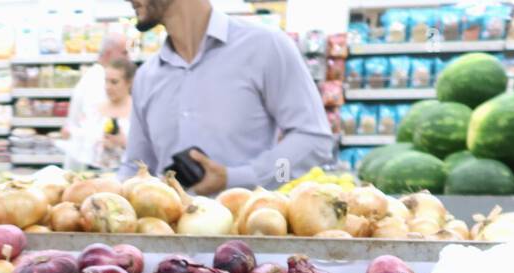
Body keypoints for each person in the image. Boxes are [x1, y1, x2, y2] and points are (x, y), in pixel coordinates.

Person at [118, 0, 333, 194]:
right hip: (169, 234)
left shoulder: (265, 47)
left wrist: (244, 177)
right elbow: (136, 167)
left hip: (249, 231)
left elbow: (314, 141)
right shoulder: (147, 76)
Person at [61, 33, 129, 171]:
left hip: (91, 160)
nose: (128, 57)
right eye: (124, 52)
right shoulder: (98, 80)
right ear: (110, 53)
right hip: (95, 163)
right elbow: (99, 131)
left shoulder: (93, 75)